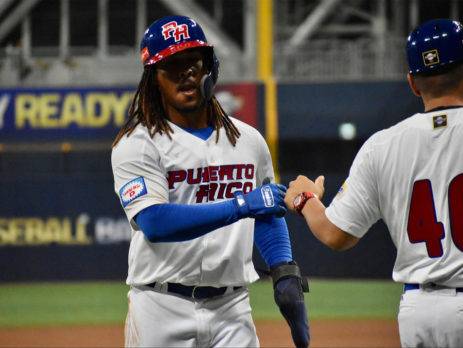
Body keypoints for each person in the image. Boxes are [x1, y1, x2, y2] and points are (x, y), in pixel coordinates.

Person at [111, 15, 309, 348]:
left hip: (232, 308)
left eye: (193, 62)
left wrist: (283, 272)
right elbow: (155, 222)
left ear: (210, 67)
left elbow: (267, 212)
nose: (186, 73)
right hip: (161, 306)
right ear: (153, 79)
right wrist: (241, 204)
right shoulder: (137, 142)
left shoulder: (248, 139)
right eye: (172, 66)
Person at [284, 18, 463, 348]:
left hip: (419, 312)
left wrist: (305, 199)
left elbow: (335, 235)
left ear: (412, 82)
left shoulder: (383, 146)